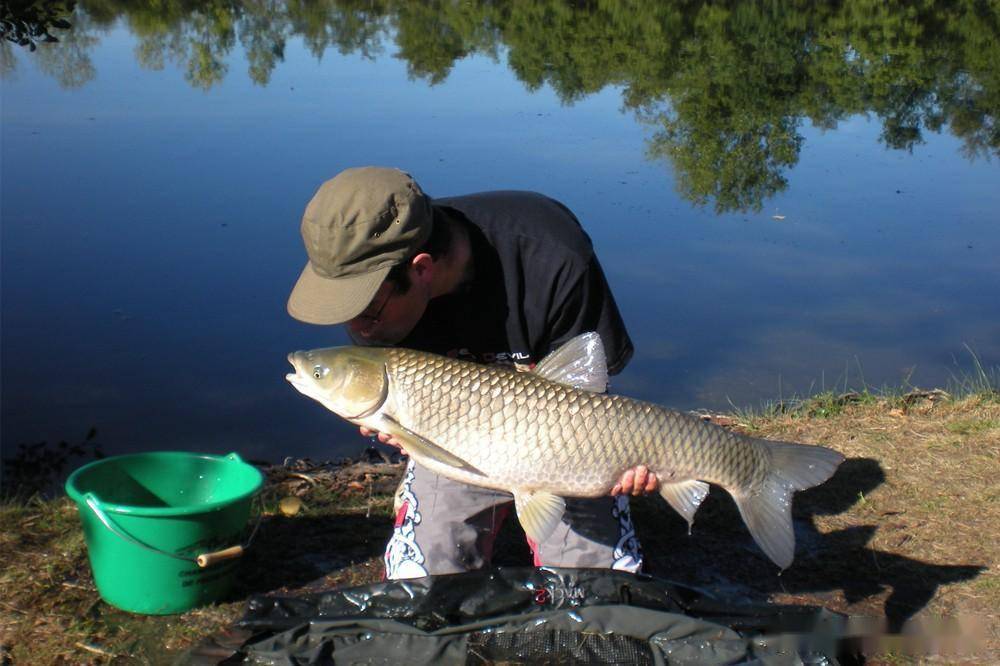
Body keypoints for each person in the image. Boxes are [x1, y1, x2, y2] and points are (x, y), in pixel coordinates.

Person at [287, 166, 659, 579]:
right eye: (345, 310)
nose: (357, 328)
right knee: (422, 578)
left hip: (565, 440)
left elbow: (585, 386)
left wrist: (626, 459)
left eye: (366, 311)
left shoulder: (552, 256)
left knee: (598, 590)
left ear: (422, 268)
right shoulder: (373, 289)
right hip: (456, 440)